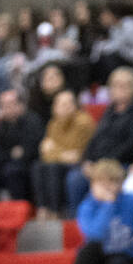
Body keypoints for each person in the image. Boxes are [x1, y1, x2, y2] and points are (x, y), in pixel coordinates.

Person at [66, 67, 133, 214]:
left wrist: (103, 165)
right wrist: (86, 161)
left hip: (120, 163)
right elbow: (95, 139)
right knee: (75, 177)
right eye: (116, 85)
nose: (119, 89)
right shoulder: (109, 112)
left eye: (124, 86)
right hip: (98, 163)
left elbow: (131, 143)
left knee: (88, 180)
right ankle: (78, 222)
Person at [31, 89, 94, 219]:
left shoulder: (83, 122)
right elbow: (44, 152)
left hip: (82, 163)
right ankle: (43, 208)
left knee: (53, 167)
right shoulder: (53, 123)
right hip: (62, 162)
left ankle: (56, 212)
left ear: (75, 105)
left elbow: (75, 155)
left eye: (68, 104)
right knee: (38, 166)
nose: (65, 108)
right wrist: (62, 153)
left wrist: (55, 150)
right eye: (61, 104)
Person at [0, 90, 45, 203]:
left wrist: (14, 154)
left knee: (13, 171)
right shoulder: (3, 125)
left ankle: (20, 207)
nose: (6, 108)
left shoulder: (33, 120)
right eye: (3, 105)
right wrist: (12, 153)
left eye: (10, 104)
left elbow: (30, 151)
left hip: (28, 166)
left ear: (20, 105)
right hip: (7, 165)